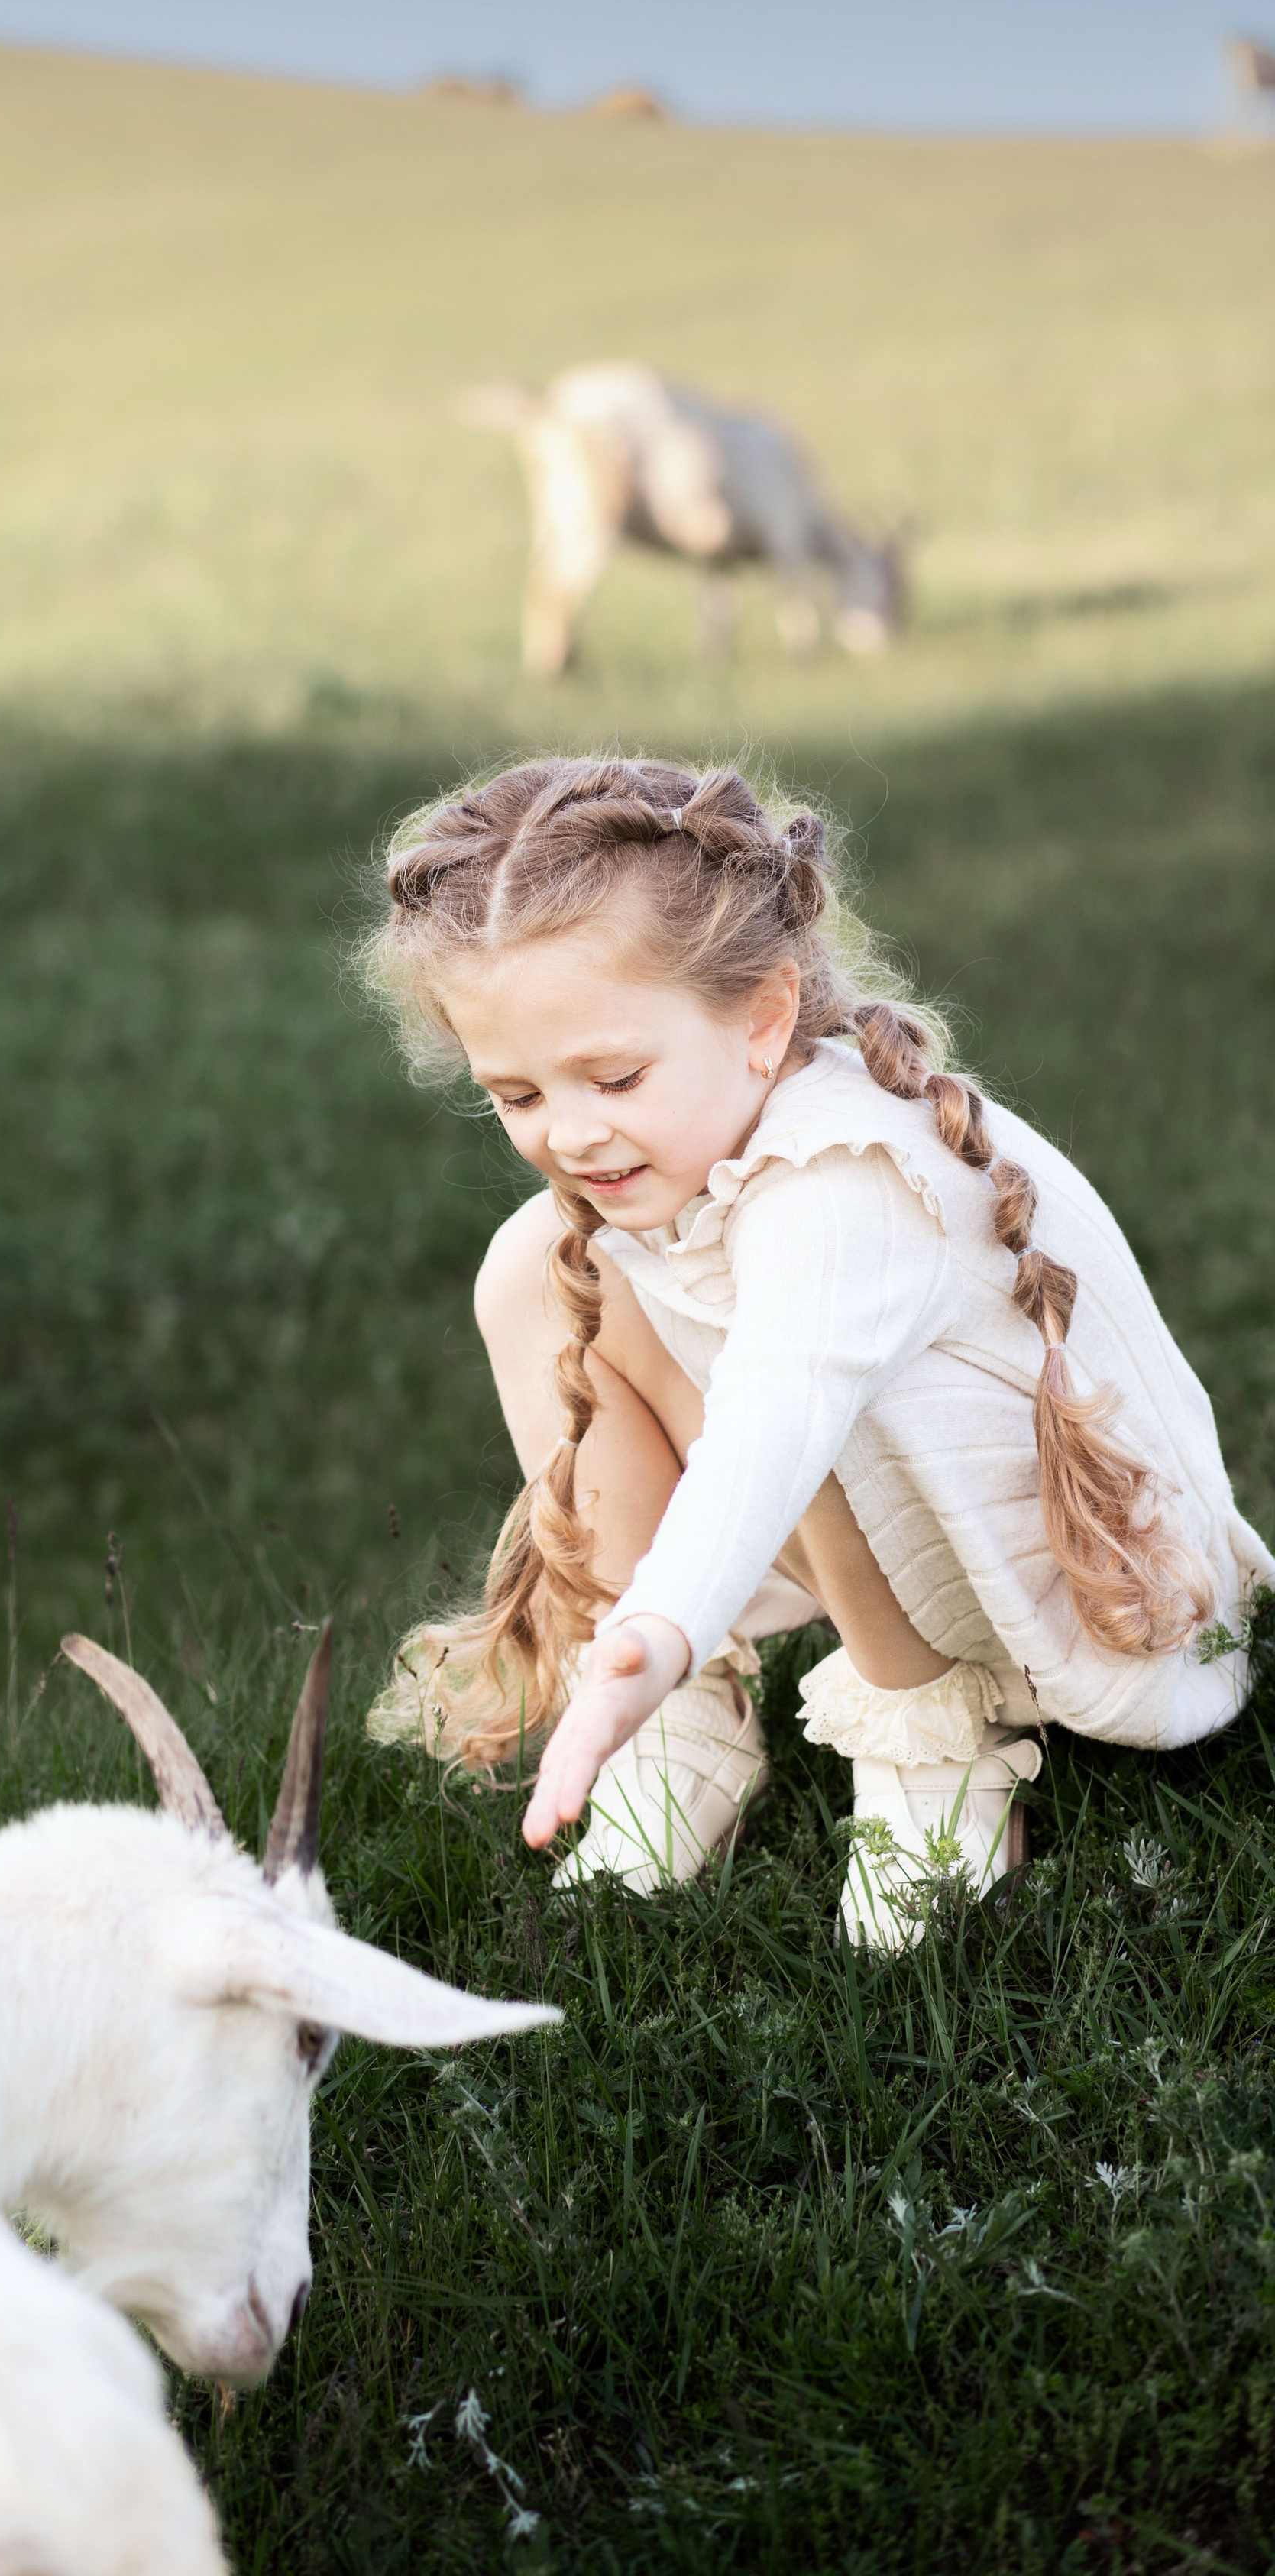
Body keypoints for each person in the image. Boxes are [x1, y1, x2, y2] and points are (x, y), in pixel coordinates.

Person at [364, 756, 1269, 1945]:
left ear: (765, 1020)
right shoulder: (702, 1143)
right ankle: (681, 1719)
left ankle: (931, 1747)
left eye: (614, 1076)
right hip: (916, 1526)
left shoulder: (845, 1182)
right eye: (517, 1095)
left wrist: (666, 1614)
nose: (570, 1131)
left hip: (1099, 1593)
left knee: (769, 1367)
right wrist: (646, 1646)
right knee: (533, 1267)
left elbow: (771, 1427)